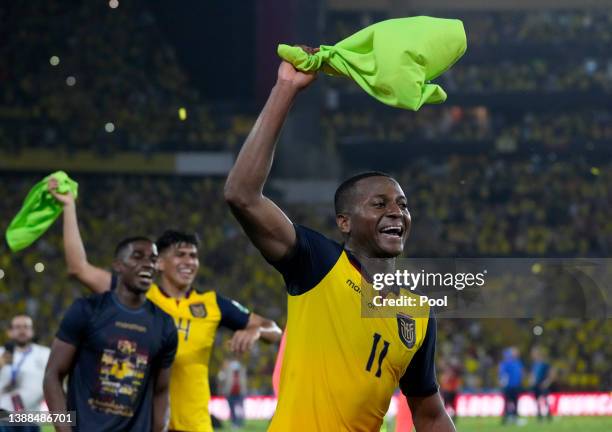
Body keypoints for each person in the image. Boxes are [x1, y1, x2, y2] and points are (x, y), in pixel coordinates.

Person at [224, 53, 455, 431]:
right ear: (344, 222)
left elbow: (429, 414)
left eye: (402, 204)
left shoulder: (418, 313)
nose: (397, 211)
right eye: (379, 204)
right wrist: (286, 89)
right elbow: (242, 194)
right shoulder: (317, 263)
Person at [48, 178, 282, 432]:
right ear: (159, 263)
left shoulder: (212, 304)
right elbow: (79, 268)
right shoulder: (140, 296)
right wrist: (69, 208)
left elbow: (275, 331)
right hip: (149, 424)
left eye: (193, 256)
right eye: (180, 255)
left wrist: (255, 330)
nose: (189, 261)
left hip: (196, 426)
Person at [43, 237, 178, 432]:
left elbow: (161, 390)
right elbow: (53, 376)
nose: (148, 264)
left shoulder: (164, 324)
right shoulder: (87, 310)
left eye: (153, 259)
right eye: (138, 257)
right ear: (118, 265)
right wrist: (64, 429)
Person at [0, 315, 50, 432]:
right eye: (17, 327)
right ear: (10, 332)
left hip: (31, 417)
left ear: (32, 331)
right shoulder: (1, 353)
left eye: (26, 327)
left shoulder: (45, 354)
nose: (22, 330)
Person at [217, 358, 247, 428]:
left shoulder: (241, 373)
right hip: (230, 394)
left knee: (240, 409)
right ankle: (234, 423)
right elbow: (222, 381)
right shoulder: (227, 372)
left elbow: (244, 383)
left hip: (240, 394)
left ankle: (240, 423)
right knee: (232, 409)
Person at [498, 347, 523, 425]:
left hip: (516, 386)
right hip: (509, 386)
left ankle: (514, 418)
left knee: (515, 403)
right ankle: (506, 419)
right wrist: (503, 382)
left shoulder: (518, 363)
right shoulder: (507, 362)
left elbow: (520, 374)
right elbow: (503, 374)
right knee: (507, 402)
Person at [529, 346, 554, 421]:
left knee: (545, 399)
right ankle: (539, 415)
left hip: (542, 384)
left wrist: (547, 381)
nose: (533, 355)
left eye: (534, 353)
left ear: (538, 353)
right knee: (537, 400)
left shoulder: (544, 363)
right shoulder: (534, 364)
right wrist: (531, 380)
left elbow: (551, 372)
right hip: (536, 385)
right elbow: (533, 374)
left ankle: (548, 415)